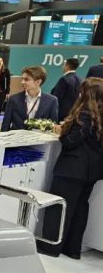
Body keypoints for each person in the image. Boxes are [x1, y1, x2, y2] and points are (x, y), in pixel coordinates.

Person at [38, 78, 103, 259]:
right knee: (79, 209)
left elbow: (71, 141)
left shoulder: (85, 115)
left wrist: (63, 132)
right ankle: (72, 249)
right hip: (91, 171)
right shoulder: (98, 116)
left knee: (59, 208)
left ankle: (50, 246)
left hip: (72, 169)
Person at [1, 66, 59, 131]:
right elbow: (5, 125)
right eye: (22, 79)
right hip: (16, 137)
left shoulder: (52, 101)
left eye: (26, 79)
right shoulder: (13, 99)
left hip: (39, 137)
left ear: (38, 82)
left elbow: (53, 126)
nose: (22, 82)